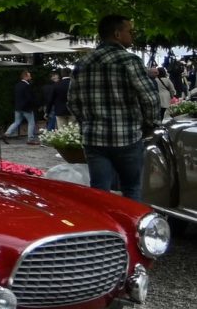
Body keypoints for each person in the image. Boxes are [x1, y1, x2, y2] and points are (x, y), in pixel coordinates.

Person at [68, 14, 162, 201]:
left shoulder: (83, 63)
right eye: (130, 31)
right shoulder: (129, 61)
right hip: (127, 137)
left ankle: (105, 228)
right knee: (131, 189)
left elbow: (72, 102)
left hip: (94, 139)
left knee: (99, 192)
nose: (132, 35)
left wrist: (87, 123)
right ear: (118, 34)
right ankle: (131, 228)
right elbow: (150, 98)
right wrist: (150, 124)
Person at [4, 70, 38, 144]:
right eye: (29, 76)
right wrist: (34, 104)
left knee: (17, 122)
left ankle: (6, 134)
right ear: (25, 76)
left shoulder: (17, 85)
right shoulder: (27, 86)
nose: (31, 77)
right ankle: (30, 139)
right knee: (31, 123)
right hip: (26, 108)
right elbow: (29, 98)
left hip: (18, 107)